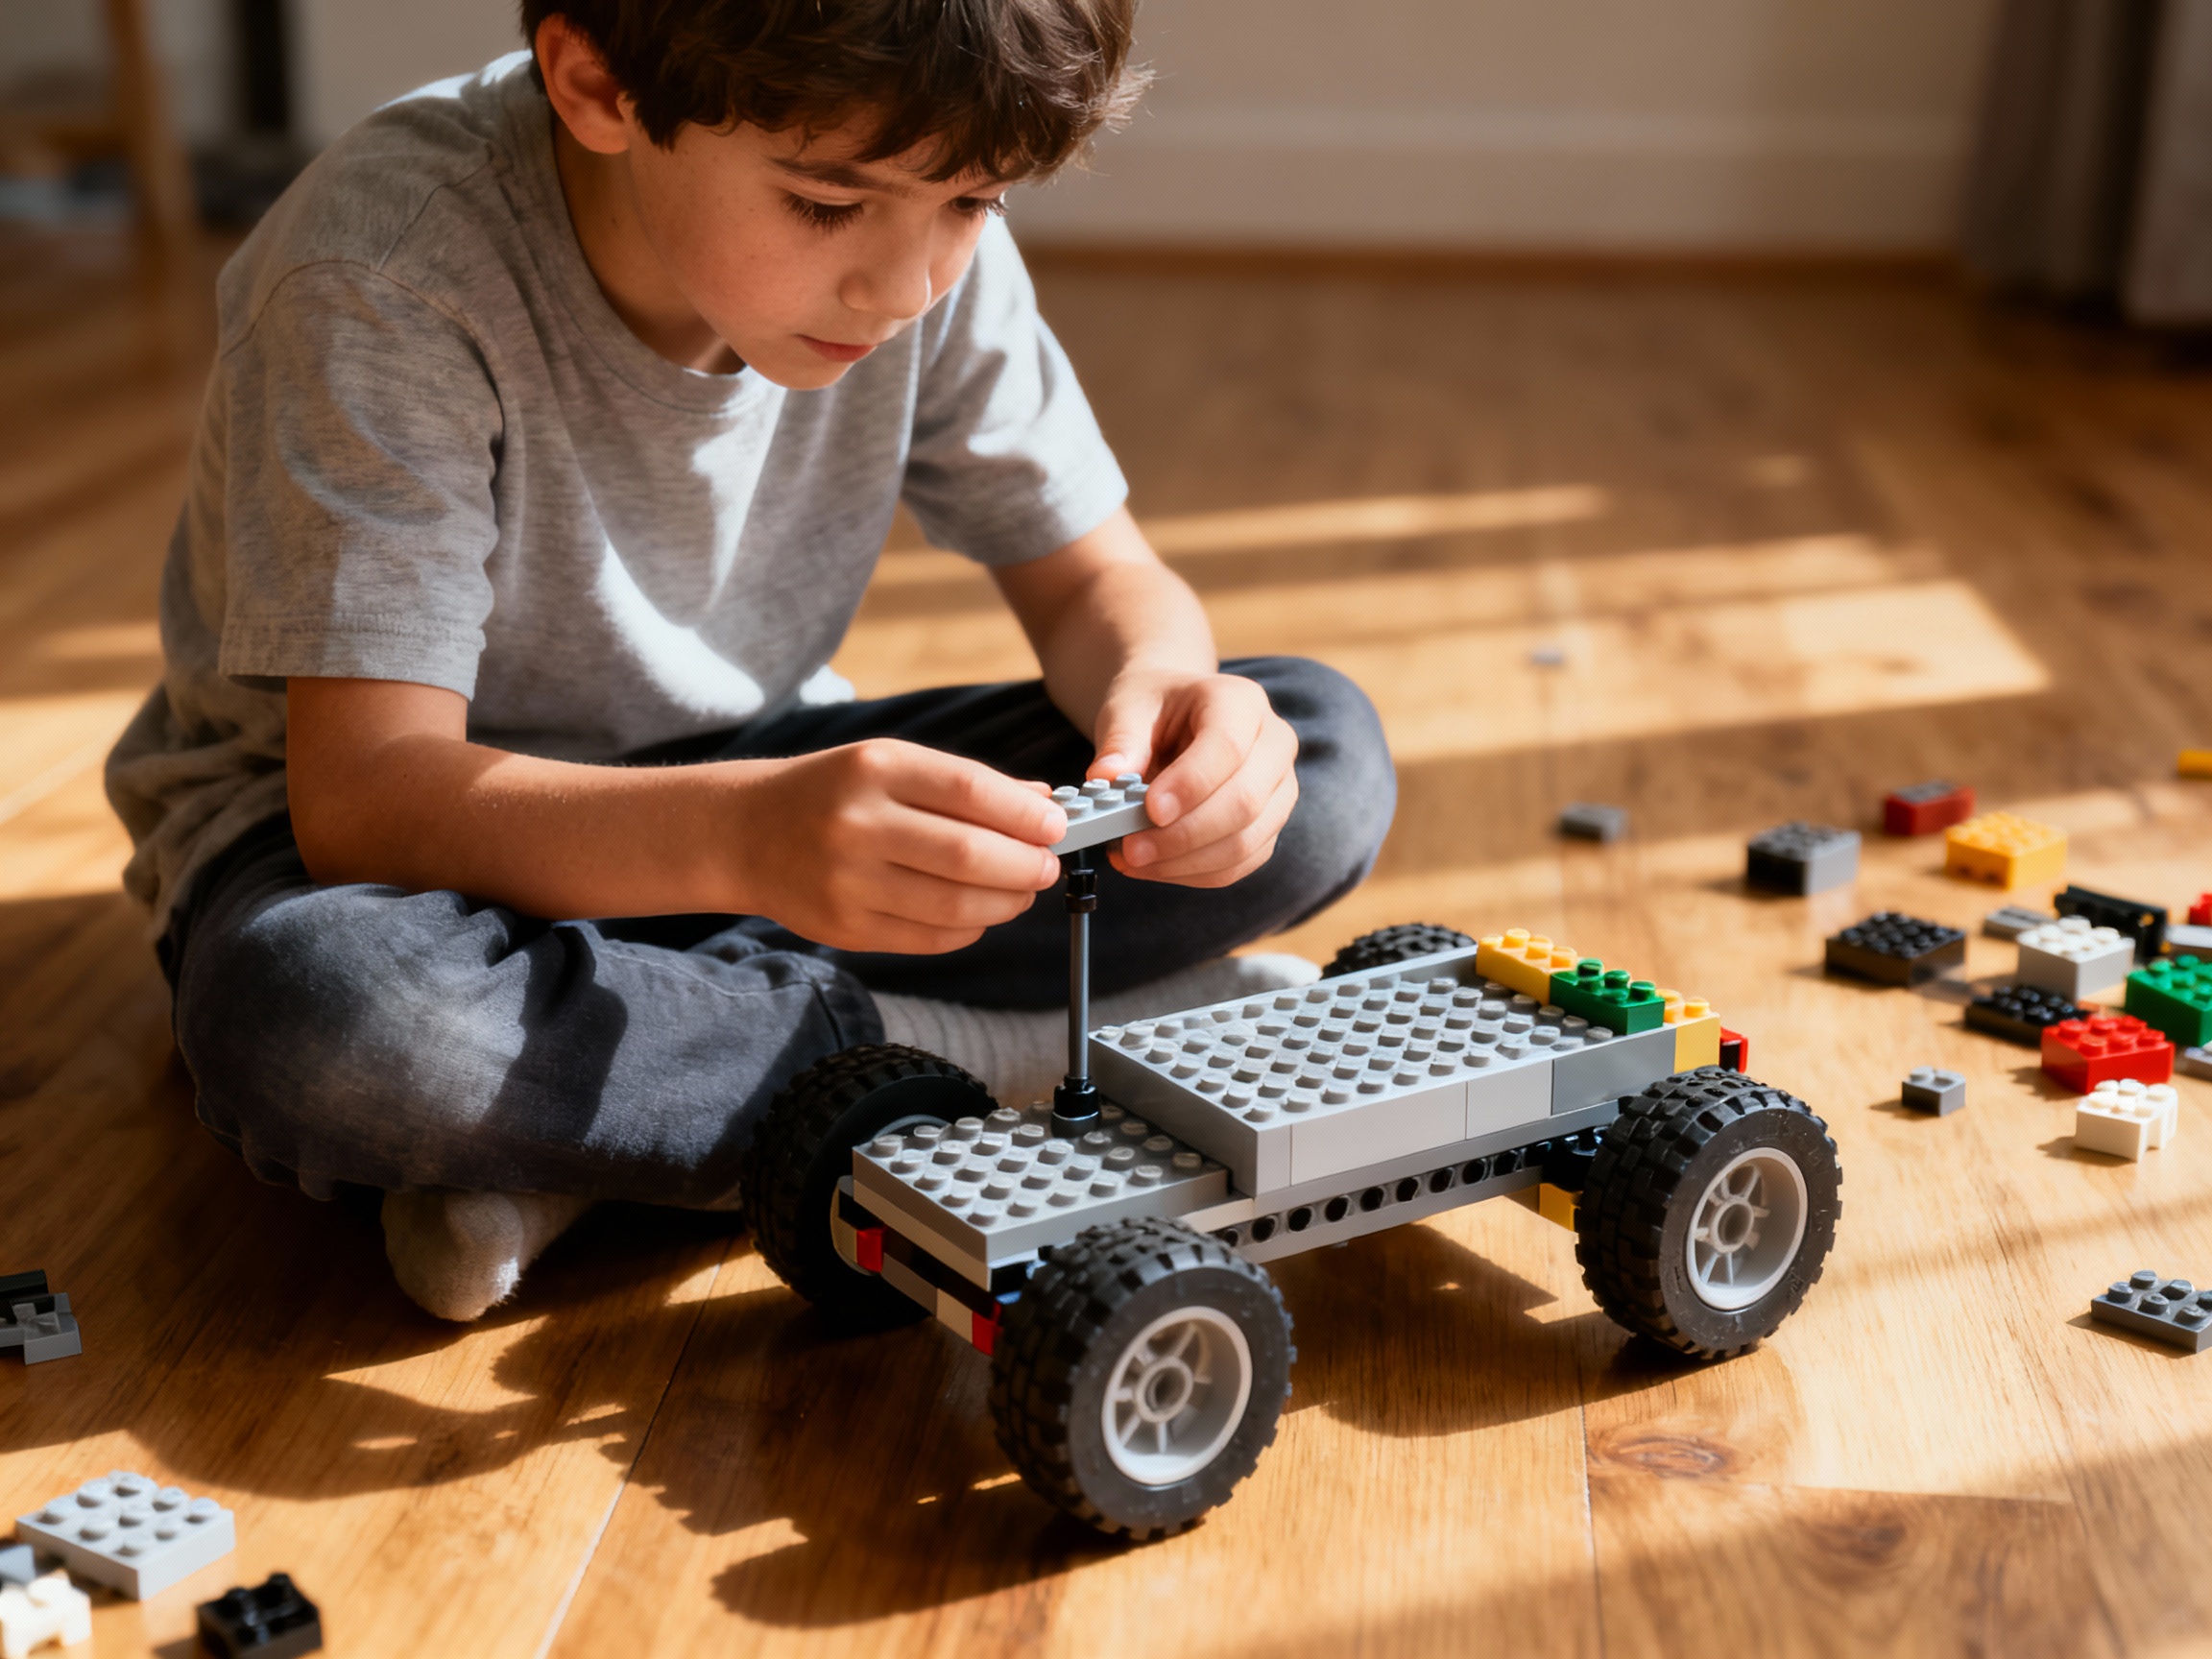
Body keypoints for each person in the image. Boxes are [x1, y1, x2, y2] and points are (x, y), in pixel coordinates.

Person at [106, 0, 1395, 1322]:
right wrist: (753, 843)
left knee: (1322, 753)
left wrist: (1168, 707)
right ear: (597, 84)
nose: (903, 287)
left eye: (975, 203)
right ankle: (995, 1056)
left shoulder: (922, 219)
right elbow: (367, 801)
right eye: (827, 207)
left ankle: (607, 1133)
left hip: (742, 809)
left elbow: (1098, 584)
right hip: (383, 850)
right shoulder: (386, 271)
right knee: (336, 1020)